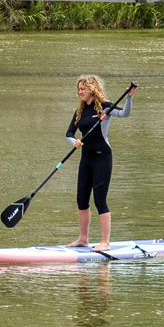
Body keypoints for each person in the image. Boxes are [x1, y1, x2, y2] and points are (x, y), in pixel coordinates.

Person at [65, 76, 137, 252]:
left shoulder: (105, 107)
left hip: (102, 158)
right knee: (81, 199)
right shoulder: (80, 111)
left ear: (91, 89)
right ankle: (83, 239)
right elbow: (69, 133)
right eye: (79, 89)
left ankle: (105, 242)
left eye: (83, 89)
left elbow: (125, 114)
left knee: (99, 200)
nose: (80, 92)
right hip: (86, 159)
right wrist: (74, 141)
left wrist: (129, 97)